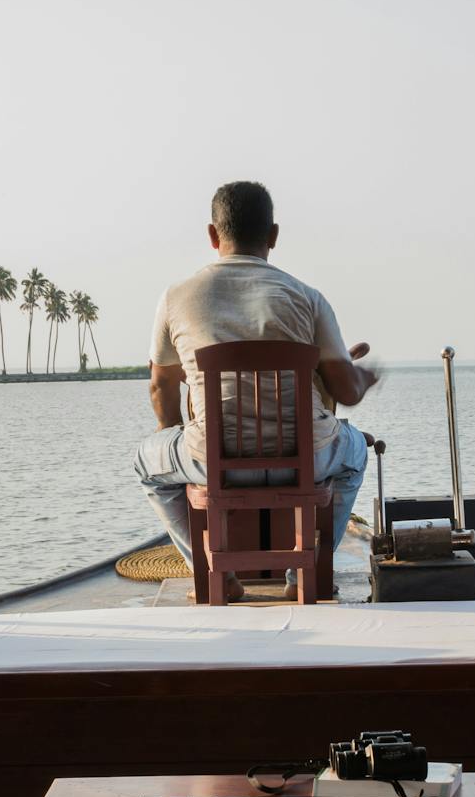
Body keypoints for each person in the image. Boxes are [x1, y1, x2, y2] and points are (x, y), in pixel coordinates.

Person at [135, 180, 376, 571]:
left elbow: (160, 386)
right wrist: (363, 376)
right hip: (306, 461)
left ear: (213, 234)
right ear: (273, 235)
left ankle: (209, 569)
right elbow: (345, 391)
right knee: (356, 455)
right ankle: (309, 571)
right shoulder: (307, 297)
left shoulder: (176, 298)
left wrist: (178, 437)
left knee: (147, 465)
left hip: (212, 461)